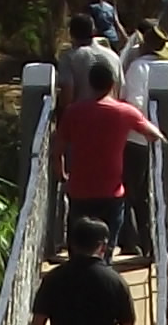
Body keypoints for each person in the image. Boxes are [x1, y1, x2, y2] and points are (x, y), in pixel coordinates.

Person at [53, 42, 159, 266]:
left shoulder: (73, 112)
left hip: (79, 190)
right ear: (113, 84)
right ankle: (105, 265)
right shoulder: (125, 112)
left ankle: (77, 275)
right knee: (106, 244)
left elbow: (58, 149)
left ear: (90, 84)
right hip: (111, 192)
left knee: (78, 244)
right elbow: (154, 135)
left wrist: (61, 173)